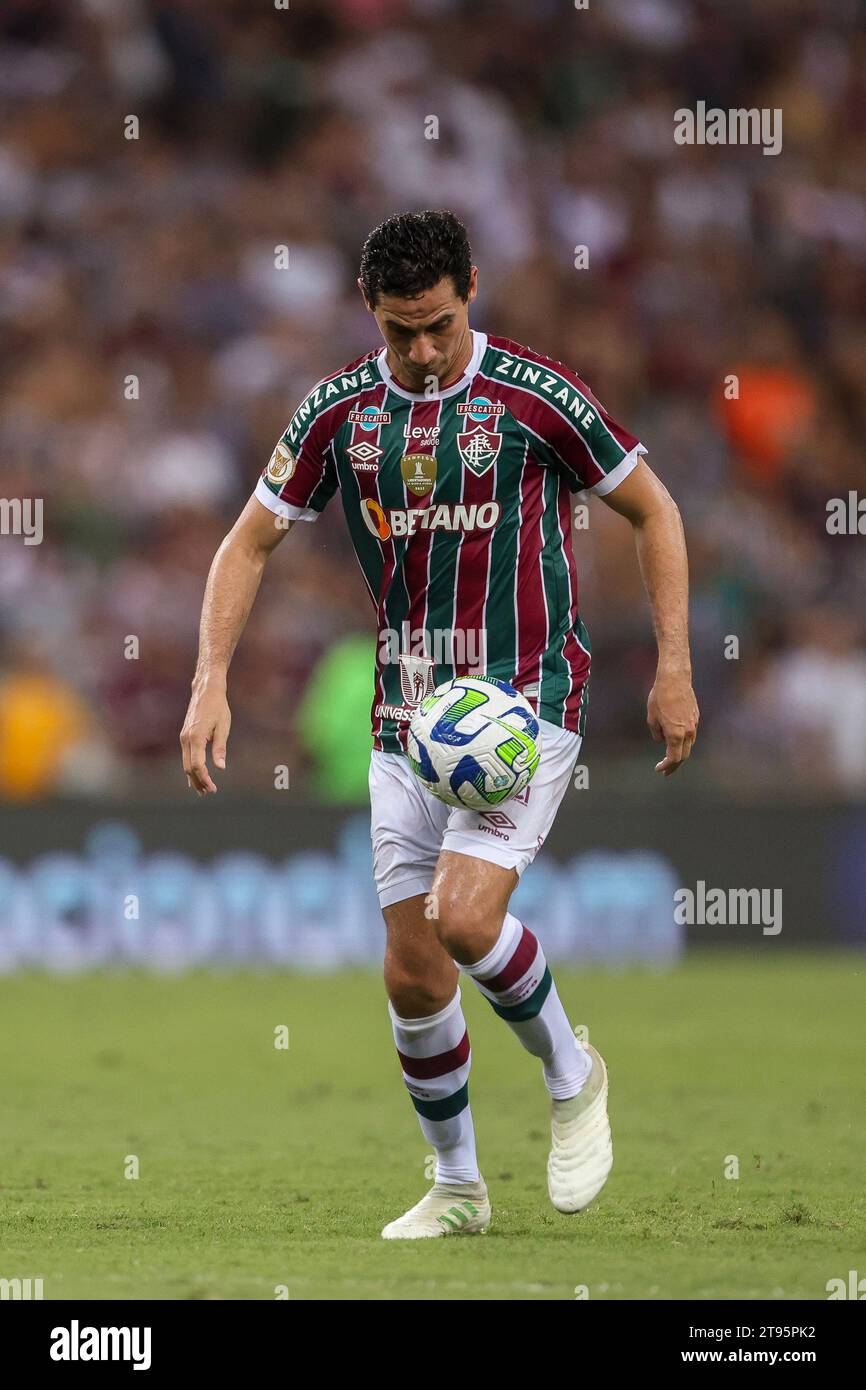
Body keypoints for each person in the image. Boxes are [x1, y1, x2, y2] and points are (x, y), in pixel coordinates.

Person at [180, 210, 699, 1238]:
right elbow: (245, 545)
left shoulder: (535, 395)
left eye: (437, 325)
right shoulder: (338, 415)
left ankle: (570, 1073)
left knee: (463, 922)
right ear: (368, 314)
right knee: (411, 969)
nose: (420, 351)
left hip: (523, 698)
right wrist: (208, 678)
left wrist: (676, 665)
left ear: (472, 288)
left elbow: (653, 508)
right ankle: (458, 1186)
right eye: (396, 330)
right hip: (404, 717)